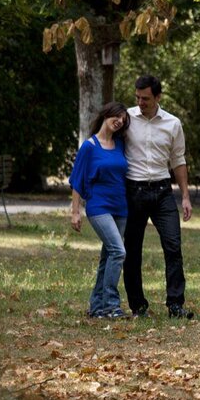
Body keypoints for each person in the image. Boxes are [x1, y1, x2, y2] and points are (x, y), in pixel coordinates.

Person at [123, 75, 194, 319]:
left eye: (146, 98)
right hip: (134, 190)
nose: (140, 102)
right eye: (137, 98)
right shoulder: (127, 119)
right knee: (132, 250)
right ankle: (137, 305)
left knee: (173, 246)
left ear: (157, 97)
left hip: (163, 191)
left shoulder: (173, 123)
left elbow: (178, 160)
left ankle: (175, 304)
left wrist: (185, 196)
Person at [69, 102, 131, 319]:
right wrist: (75, 212)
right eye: (117, 116)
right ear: (106, 114)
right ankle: (112, 306)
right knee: (118, 251)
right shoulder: (89, 146)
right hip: (98, 207)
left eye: (123, 120)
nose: (120, 121)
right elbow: (77, 180)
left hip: (121, 207)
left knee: (108, 256)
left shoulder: (121, 144)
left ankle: (96, 307)